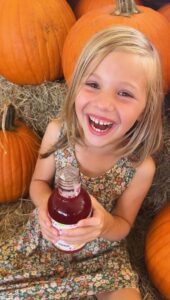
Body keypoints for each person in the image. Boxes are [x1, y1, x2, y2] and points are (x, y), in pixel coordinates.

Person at [0, 25, 163, 300]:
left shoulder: (140, 167)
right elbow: (38, 183)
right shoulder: (59, 133)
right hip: (47, 238)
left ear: (146, 106)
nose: (103, 104)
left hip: (100, 251)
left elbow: (123, 224)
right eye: (93, 84)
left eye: (124, 93)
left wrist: (104, 225)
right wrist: (45, 208)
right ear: (75, 87)